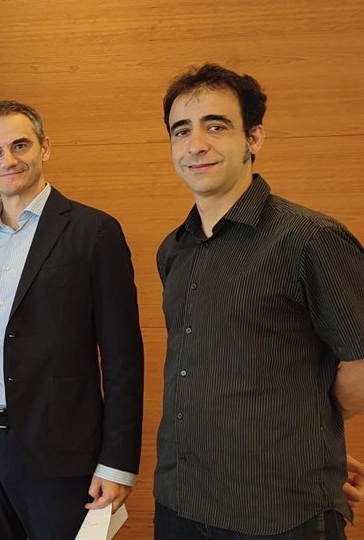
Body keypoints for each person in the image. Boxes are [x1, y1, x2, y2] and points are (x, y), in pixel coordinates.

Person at [154, 63, 364, 539]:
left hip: (278, 509)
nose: (195, 144)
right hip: (181, 501)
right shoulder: (174, 250)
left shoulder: (309, 239)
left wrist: (306, 428)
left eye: (216, 126)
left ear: (254, 138)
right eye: (181, 130)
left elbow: (361, 362)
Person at [0, 100, 144, 539]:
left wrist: (117, 464)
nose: (8, 160)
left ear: (45, 148)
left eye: (20, 145)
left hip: (61, 451)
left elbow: (123, 358)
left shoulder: (94, 232)